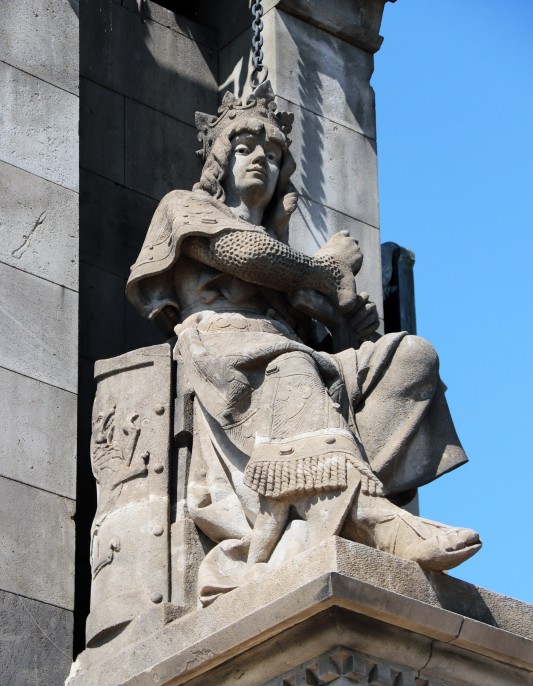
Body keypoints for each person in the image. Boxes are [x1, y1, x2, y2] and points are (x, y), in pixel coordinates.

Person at [126, 83, 481, 605]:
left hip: (297, 358)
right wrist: (323, 268)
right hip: (224, 348)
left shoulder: (286, 264)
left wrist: (345, 317)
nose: (260, 163)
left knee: (411, 357)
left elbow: (333, 333)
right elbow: (241, 252)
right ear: (218, 162)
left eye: (273, 156)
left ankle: (347, 507)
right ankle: (365, 513)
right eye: (245, 149)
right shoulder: (185, 209)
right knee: (291, 364)